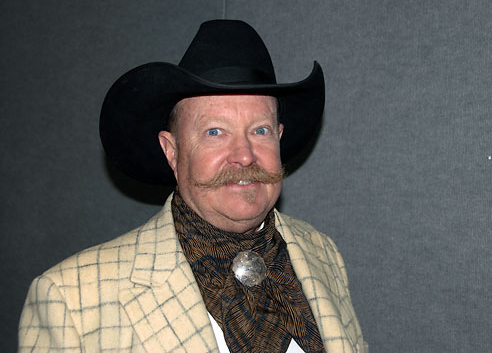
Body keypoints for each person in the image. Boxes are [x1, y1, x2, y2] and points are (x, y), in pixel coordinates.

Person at [18, 20, 367, 353]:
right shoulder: (72, 299)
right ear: (172, 151)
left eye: (260, 130)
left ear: (279, 138)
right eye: (215, 132)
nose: (244, 156)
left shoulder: (322, 254)